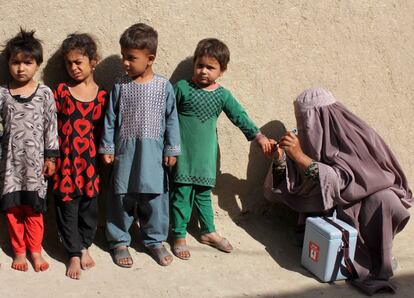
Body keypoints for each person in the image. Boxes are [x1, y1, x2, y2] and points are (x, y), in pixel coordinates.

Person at [264, 87, 412, 295]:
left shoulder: (357, 136)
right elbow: (295, 183)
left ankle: (377, 253)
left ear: (322, 117)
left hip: (366, 205)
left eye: (306, 119)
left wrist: (301, 158)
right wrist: (280, 159)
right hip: (330, 212)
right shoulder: (304, 138)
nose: (302, 125)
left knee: (384, 199)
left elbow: (344, 180)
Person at [171, 38, 273, 260]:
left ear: (222, 71)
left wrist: (259, 136)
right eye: (200, 65)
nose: (204, 71)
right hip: (182, 154)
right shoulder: (181, 88)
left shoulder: (222, 95)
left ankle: (208, 231)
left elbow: (239, 116)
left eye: (210, 67)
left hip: (206, 156)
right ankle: (178, 235)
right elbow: (166, 115)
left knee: (203, 194)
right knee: (182, 194)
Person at [99, 23, 180, 267]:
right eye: (123, 56)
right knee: (121, 197)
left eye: (131, 58)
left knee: (154, 198)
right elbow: (110, 119)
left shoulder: (163, 87)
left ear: (150, 59)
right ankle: (119, 241)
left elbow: (172, 119)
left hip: (153, 156)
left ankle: (154, 240)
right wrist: (108, 147)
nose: (125, 62)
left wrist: (172, 149)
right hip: (126, 153)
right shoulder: (120, 86)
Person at [0, 29, 59, 272]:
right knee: (13, 210)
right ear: (8, 64)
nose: (21, 68)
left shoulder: (44, 93)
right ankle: (19, 251)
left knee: (34, 210)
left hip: (35, 166)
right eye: (15, 62)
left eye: (28, 62)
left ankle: (35, 250)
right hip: (10, 167)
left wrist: (51, 156)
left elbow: (51, 126)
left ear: (37, 64)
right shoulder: (2, 93)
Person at [53, 33, 108, 279]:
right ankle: (73, 253)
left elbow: (106, 132)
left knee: (89, 210)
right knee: (67, 209)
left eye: (79, 62)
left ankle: (85, 245)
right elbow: (51, 125)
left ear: (93, 61)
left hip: (90, 167)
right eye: (69, 63)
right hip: (65, 164)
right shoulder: (62, 92)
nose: (73, 68)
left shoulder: (103, 97)